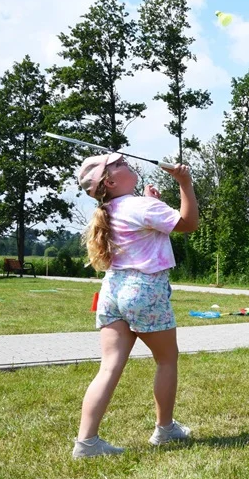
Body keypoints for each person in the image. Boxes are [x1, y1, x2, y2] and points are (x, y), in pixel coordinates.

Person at [72, 153, 199, 459]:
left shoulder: (111, 210)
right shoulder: (142, 207)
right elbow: (188, 223)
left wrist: (149, 201)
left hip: (112, 291)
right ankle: (165, 429)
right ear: (111, 181)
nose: (126, 163)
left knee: (109, 366)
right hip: (145, 290)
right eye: (119, 164)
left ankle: (86, 443)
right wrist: (185, 183)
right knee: (166, 360)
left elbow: (143, 223)